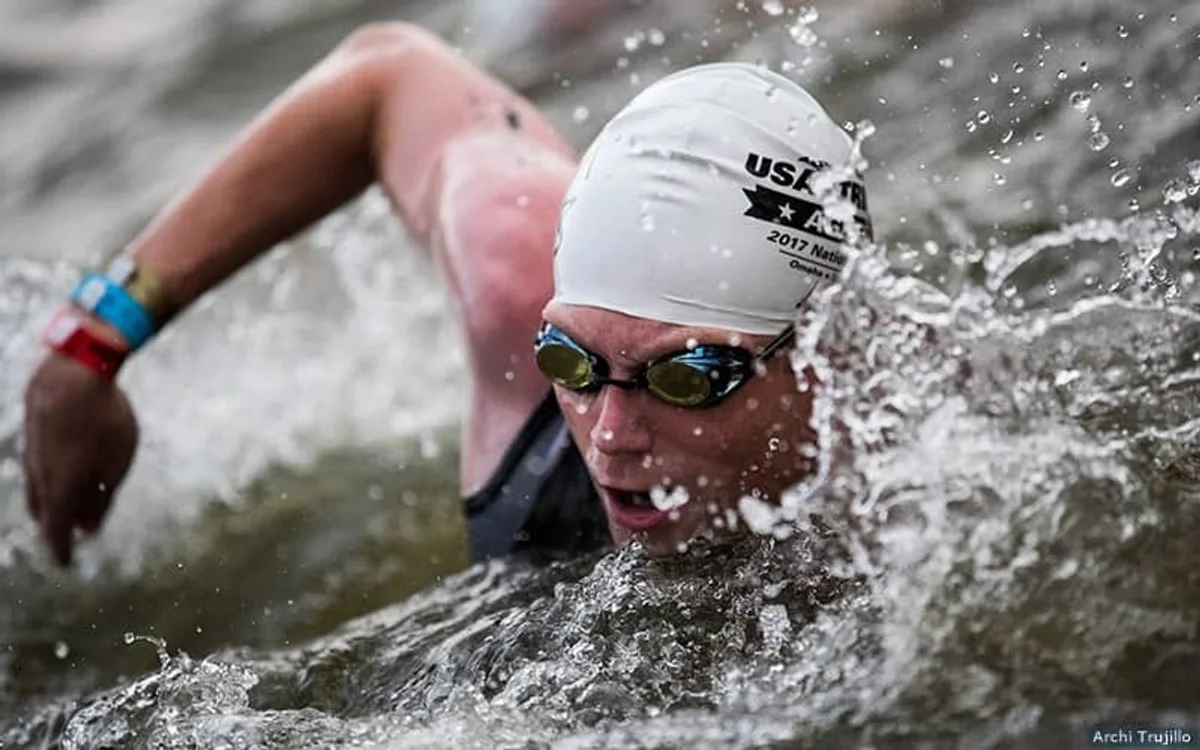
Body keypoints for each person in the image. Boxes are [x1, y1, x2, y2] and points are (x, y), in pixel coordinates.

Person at [21, 21, 872, 568]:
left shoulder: (925, 487)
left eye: (686, 376)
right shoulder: (517, 271)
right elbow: (388, 74)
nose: (610, 437)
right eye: (569, 360)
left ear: (824, 351)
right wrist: (91, 342)